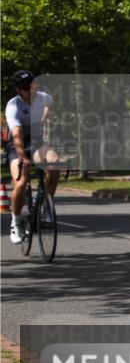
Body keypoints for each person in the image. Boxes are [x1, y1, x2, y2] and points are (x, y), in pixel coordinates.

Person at [5, 70, 61, 244]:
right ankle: (16, 221)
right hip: (17, 144)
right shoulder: (13, 106)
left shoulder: (44, 97)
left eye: (34, 85)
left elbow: (49, 106)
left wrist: (45, 115)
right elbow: (16, 136)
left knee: (54, 163)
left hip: (37, 141)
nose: (32, 89)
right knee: (21, 182)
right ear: (19, 91)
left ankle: (45, 203)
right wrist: (22, 157)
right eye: (28, 87)